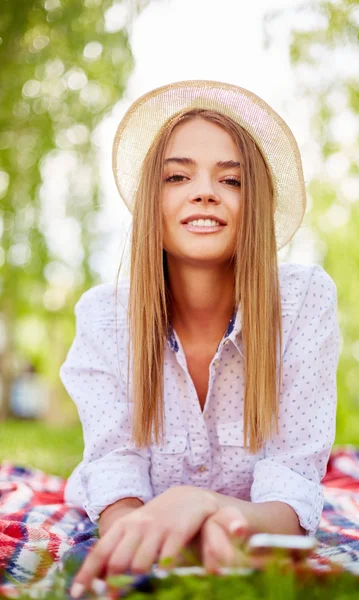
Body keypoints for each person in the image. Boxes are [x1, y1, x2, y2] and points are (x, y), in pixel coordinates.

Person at [59, 81, 340, 598]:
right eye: (178, 176)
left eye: (230, 180)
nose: (204, 191)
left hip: (245, 523)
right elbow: (115, 471)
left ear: (254, 204)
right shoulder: (102, 317)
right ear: (152, 201)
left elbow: (293, 486)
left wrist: (212, 511)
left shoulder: (304, 303)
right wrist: (142, 529)